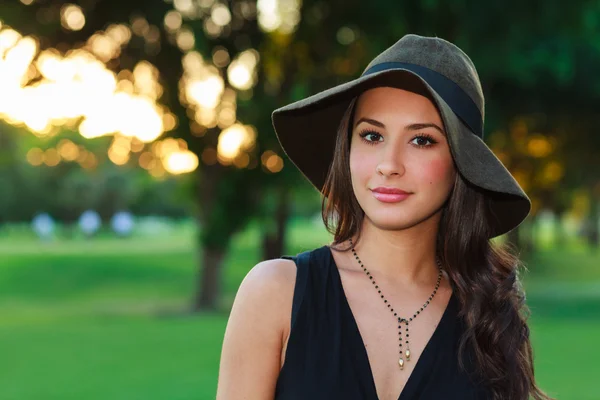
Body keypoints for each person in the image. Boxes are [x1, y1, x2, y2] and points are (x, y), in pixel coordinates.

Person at [216, 34, 554, 400]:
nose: (389, 165)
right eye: (372, 135)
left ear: (462, 164)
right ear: (348, 147)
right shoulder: (275, 293)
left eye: (422, 140)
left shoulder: (489, 315)